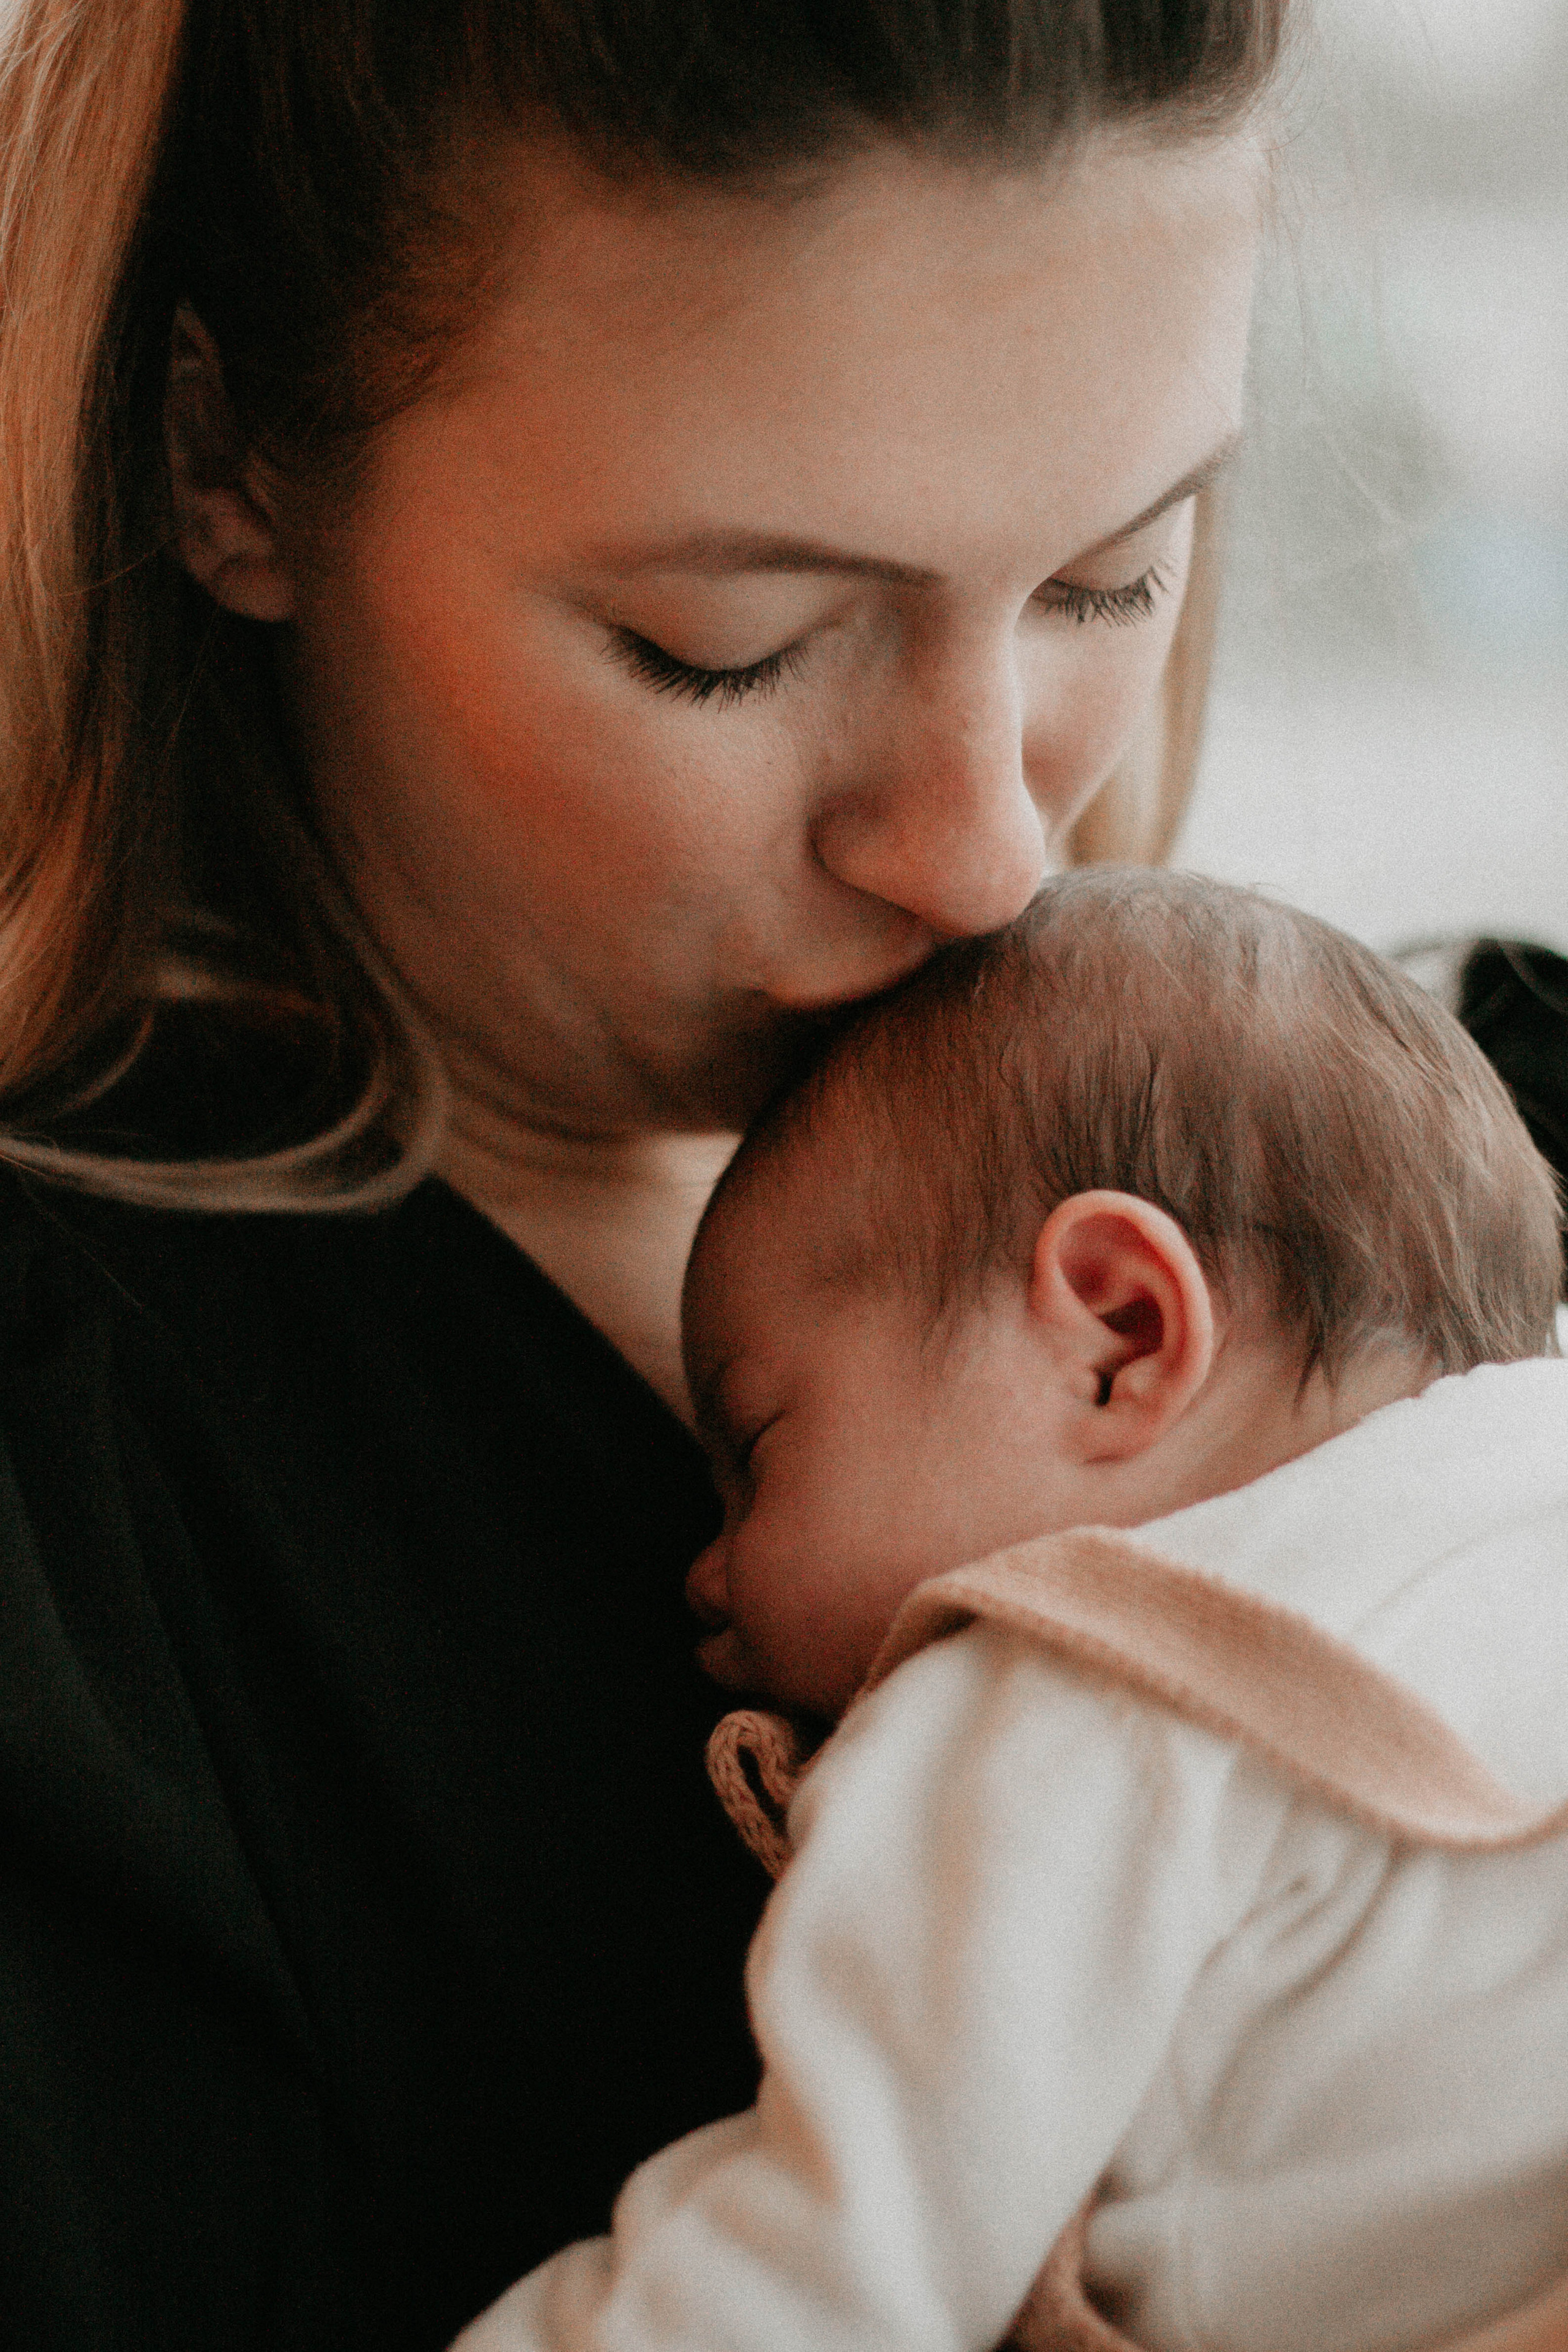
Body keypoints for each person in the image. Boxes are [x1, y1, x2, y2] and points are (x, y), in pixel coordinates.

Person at [0, 3, 1291, 2343]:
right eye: (731, 648)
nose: (990, 849)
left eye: (1113, 575)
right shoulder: (86, 1549)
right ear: (231, 463)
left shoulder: (1474, 1163)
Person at [461, 869, 1568, 2352]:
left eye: (759, 1447)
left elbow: (825, 2264)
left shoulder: (1072, 1693)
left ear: (1115, 1337)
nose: (707, 1566)